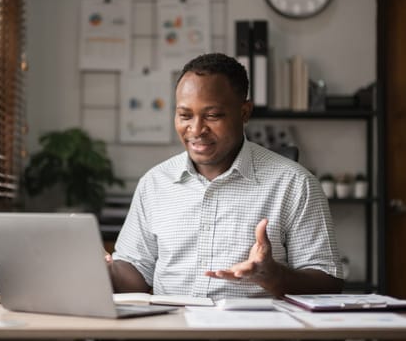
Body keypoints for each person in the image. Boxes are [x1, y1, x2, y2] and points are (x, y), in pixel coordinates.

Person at [106, 53, 343, 299]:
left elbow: (328, 283)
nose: (196, 130)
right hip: (173, 329)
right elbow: (135, 275)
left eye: (212, 115)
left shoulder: (295, 184)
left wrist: (274, 276)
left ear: (244, 113)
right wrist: (105, 272)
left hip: (252, 331)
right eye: (185, 115)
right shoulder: (154, 183)